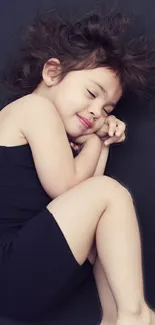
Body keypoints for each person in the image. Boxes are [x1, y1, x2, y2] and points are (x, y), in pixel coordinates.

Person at [0, 9, 155, 325]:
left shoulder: (56, 133)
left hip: (30, 277)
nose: (97, 111)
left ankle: (115, 317)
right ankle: (136, 316)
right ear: (53, 73)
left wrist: (99, 142)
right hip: (10, 267)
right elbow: (70, 188)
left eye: (107, 108)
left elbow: (86, 202)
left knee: (108, 220)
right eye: (91, 93)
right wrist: (97, 140)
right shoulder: (34, 109)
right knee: (110, 193)